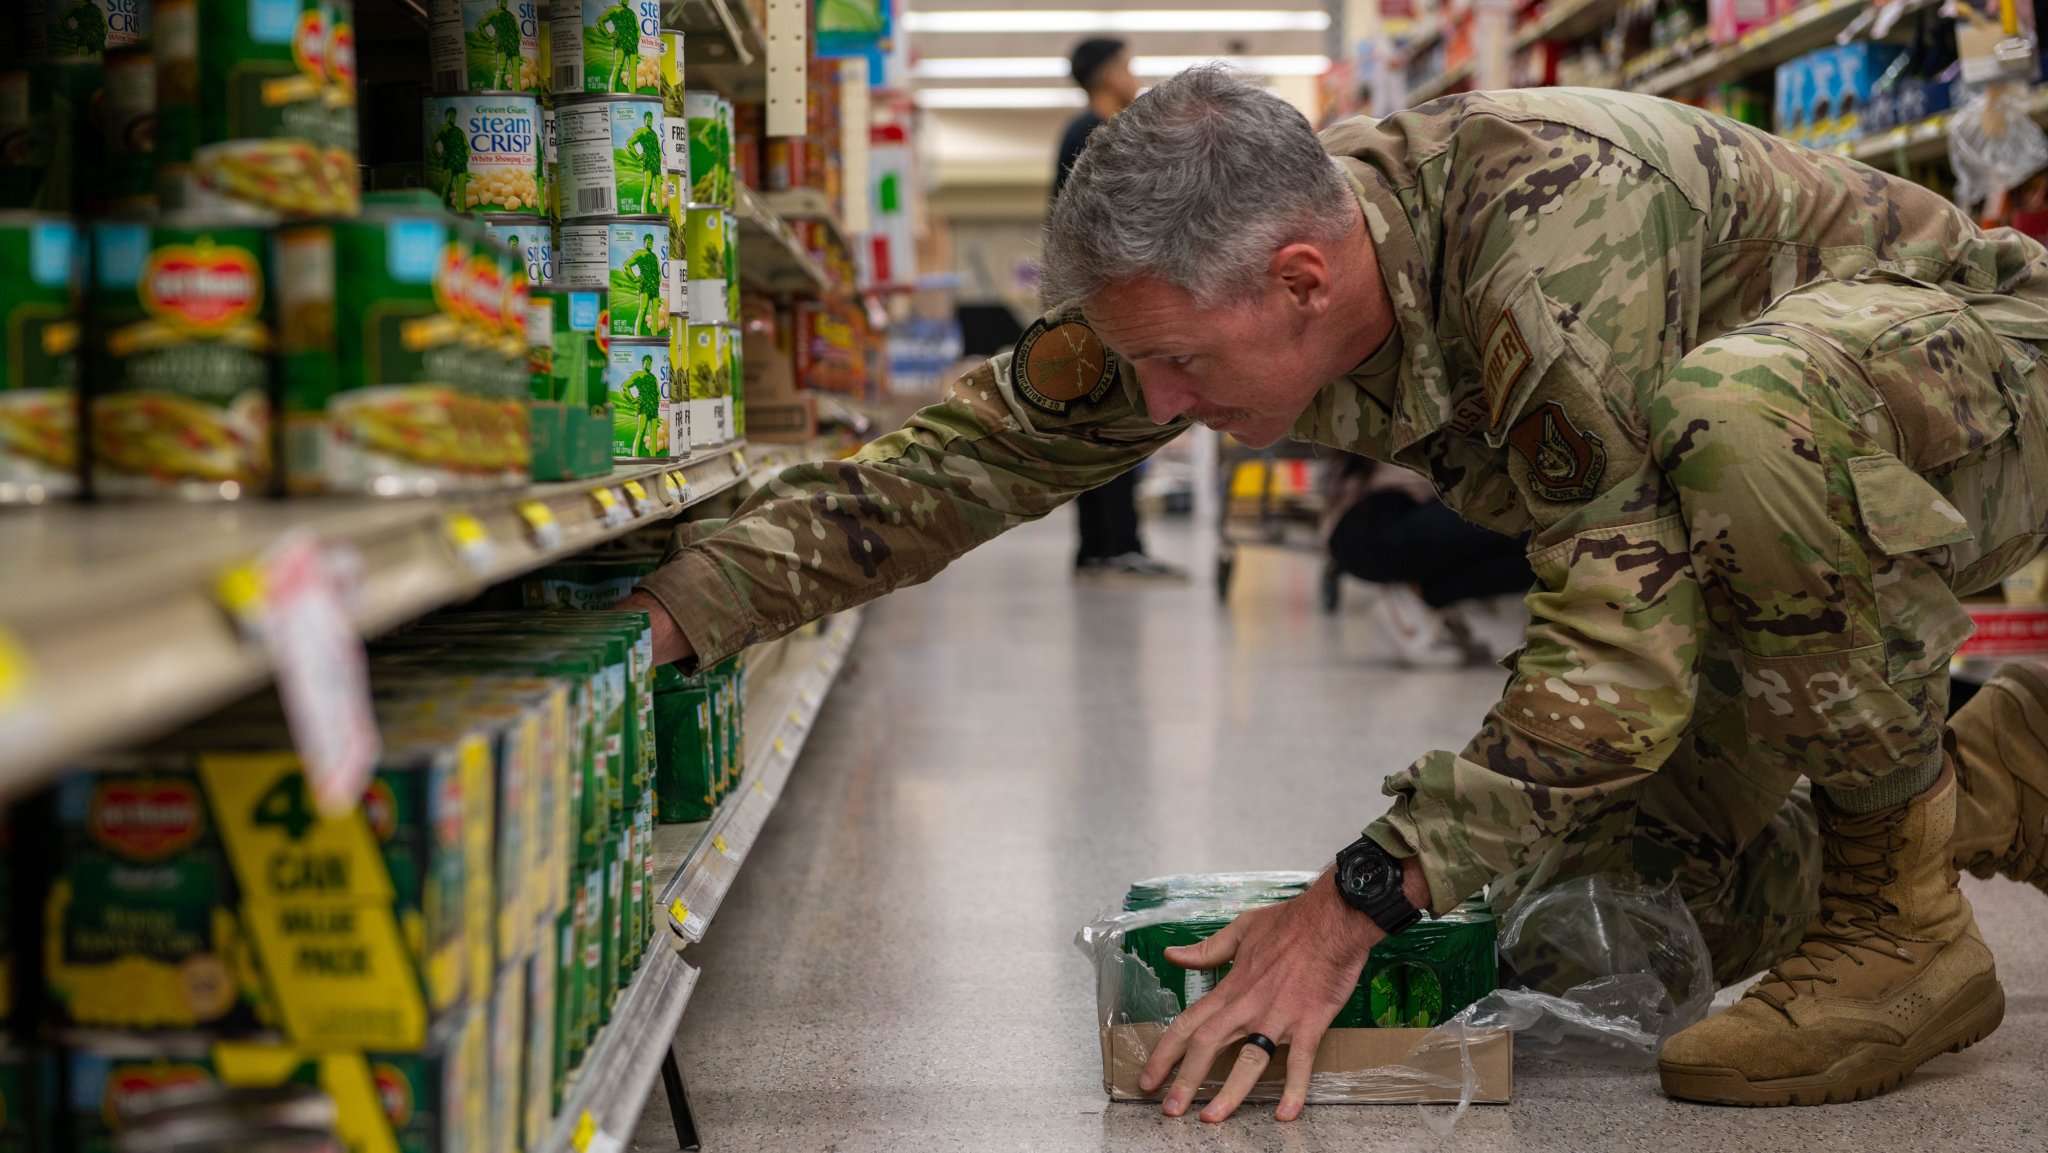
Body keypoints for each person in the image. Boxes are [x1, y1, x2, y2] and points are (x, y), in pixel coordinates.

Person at [614, 71, 2048, 1120]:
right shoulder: (1220, 275)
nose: (1158, 406)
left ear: (1301, 279)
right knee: (1602, 933)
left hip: (1972, 404)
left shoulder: (1546, 237)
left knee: (1740, 415)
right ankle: (1999, 776)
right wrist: (680, 607)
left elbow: (1621, 660)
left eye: (1180, 370)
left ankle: (1898, 926)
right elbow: (963, 462)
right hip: (1710, 515)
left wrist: (1355, 896)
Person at [1051, 38, 1183, 581]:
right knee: (1119, 418)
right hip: (1103, 298)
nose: (1135, 77)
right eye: (1128, 67)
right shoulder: (1096, 134)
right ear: (1107, 75)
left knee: (1098, 420)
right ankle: (1114, 545)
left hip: (1091, 294)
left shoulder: (1082, 131)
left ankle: (1102, 546)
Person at [1321, 454, 1533, 666]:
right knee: (1529, 530)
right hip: (1372, 525)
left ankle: (1423, 598)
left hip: (1367, 528)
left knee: (1531, 547)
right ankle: (1419, 597)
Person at [430, 106, 469, 210]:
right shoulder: (442, 128)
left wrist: (465, 157)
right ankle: (441, 211)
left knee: (462, 188)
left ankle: (461, 212)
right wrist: (438, 155)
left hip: (461, 161)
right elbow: (433, 142)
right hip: (449, 161)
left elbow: (467, 146)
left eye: (454, 116)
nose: (452, 117)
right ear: (446, 116)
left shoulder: (459, 131)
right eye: (450, 115)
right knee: (446, 187)